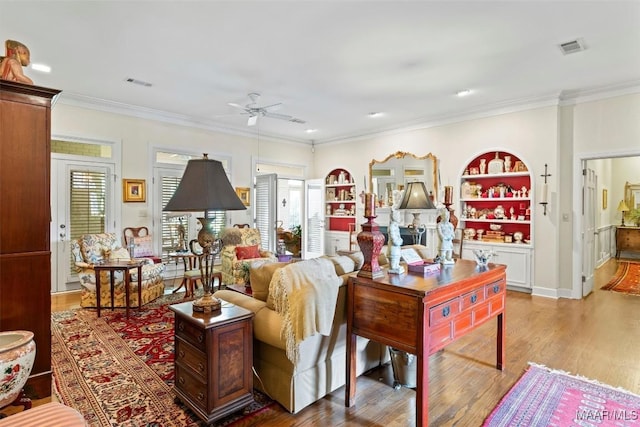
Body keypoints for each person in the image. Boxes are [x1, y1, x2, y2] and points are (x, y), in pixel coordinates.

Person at [387, 190, 405, 274]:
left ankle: (396, 266)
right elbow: (394, 238)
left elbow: (398, 236)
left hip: (397, 247)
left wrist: (400, 240)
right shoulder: (391, 226)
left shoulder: (396, 226)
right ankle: (394, 267)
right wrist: (398, 241)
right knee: (394, 258)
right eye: (397, 215)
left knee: (397, 257)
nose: (399, 217)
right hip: (393, 247)